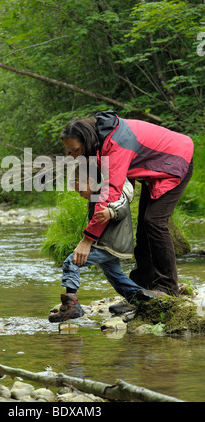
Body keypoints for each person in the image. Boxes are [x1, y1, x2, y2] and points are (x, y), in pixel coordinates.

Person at [60, 111, 194, 304]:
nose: (73, 156)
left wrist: (87, 241)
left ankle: (167, 288)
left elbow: (110, 193)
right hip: (154, 169)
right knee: (143, 229)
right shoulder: (99, 142)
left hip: (176, 160)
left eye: (75, 150)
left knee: (154, 221)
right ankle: (141, 290)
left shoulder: (116, 144)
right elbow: (101, 192)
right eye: (69, 152)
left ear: (87, 141)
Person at [48, 164, 159, 323]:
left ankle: (71, 306)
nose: (80, 195)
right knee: (115, 275)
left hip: (111, 243)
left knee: (71, 262)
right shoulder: (96, 195)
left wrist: (111, 211)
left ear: (90, 181)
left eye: (80, 189)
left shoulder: (109, 190)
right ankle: (142, 298)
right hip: (107, 243)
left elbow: (122, 204)